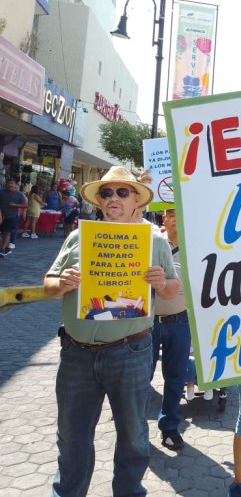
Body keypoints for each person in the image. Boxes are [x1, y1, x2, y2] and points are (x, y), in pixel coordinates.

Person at [43, 166, 180, 496]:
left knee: (133, 436)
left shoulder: (153, 240)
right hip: (76, 353)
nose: (113, 198)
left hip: (130, 351)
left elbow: (173, 289)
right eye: (107, 192)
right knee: (72, 436)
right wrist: (60, 284)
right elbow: (47, 285)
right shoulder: (78, 236)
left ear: (136, 199)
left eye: (122, 192)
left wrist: (162, 284)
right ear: (99, 201)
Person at [148, 207, 192, 452]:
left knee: (176, 377)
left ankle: (169, 427)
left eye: (180, 212)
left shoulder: (195, 246)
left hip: (181, 321)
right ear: (163, 217)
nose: (176, 218)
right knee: (141, 376)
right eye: (171, 213)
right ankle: (136, 429)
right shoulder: (152, 242)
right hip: (148, 323)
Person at [0, 179, 28, 258]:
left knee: (7, 233)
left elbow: (25, 205)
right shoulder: (1, 192)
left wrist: (15, 205)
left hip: (12, 217)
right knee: (4, 233)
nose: (10, 185)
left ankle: (2, 250)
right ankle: (7, 248)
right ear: (6, 184)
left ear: (15, 185)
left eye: (12, 184)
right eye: (8, 183)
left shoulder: (19, 194)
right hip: (1, 216)